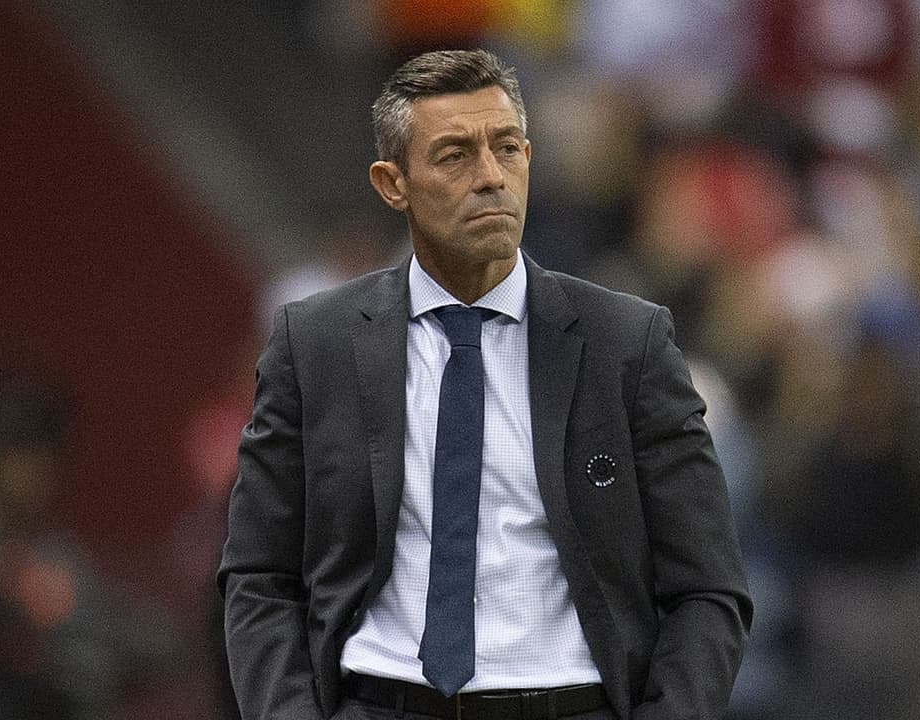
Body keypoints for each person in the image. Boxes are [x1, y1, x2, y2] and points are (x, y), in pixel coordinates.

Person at [218, 49, 751, 720]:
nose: (491, 177)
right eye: (455, 156)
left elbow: (708, 589)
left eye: (506, 149)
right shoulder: (315, 345)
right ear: (392, 184)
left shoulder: (627, 344)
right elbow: (259, 575)